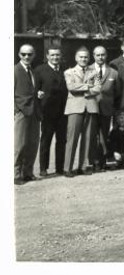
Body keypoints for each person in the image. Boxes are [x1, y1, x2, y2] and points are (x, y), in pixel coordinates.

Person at [64, 47, 100, 177]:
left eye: (86, 57)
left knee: (88, 138)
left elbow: (98, 88)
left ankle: (83, 166)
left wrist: (83, 88)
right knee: (72, 138)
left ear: (89, 58)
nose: (83, 59)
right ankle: (67, 168)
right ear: (76, 58)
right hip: (74, 107)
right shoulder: (69, 72)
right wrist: (88, 86)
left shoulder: (94, 71)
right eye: (81, 57)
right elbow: (71, 87)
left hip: (90, 107)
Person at [34, 46, 67, 178]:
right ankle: (43, 168)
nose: (55, 58)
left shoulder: (66, 70)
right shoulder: (39, 70)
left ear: (61, 56)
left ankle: (59, 168)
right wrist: (39, 110)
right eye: (52, 55)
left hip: (63, 112)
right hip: (47, 112)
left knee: (61, 141)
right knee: (46, 140)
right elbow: (35, 91)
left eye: (57, 55)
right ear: (47, 56)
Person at [14, 44, 41, 185]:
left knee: (33, 143)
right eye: (24, 54)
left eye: (29, 54)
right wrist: (15, 110)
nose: (26, 57)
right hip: (21, 112)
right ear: (19, 55)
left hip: (34, 112)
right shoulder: (14, 71)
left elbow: (32, 90)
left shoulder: (33, 71)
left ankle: (28, 172)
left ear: (34, 55)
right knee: (19, 145)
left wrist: (38, 95)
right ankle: (16, 174)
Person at [90, 46, 119, 171]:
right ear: (93, 56)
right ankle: (94, 161)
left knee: (104, 135)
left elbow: (117, 92)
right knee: (92, 135)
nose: (100, 57)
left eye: (103, 55)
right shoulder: (87, 70)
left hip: (107, 108)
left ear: (106, 55)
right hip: (91, 108)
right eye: (98, 55)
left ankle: (103, 160)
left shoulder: (113, 72)